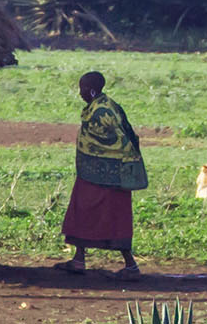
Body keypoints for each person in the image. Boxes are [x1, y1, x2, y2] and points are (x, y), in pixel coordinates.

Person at [56, 71, 147, 280]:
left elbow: (120, 139)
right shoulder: (103, 106)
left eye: (82, 89)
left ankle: (130, 265)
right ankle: (79, 259)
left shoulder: (102, 111)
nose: (80, 94)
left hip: (111, 175)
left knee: (114, 217)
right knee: (83, 211)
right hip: (93, 172)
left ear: (92, 90)